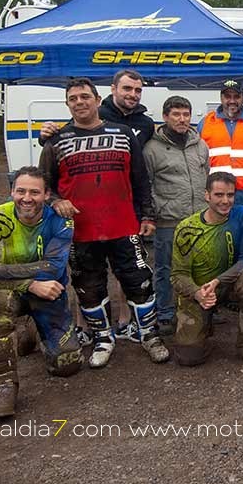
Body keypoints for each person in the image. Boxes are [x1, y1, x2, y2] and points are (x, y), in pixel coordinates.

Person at [39, 78, 169, 368]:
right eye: (73, 98)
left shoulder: (123, 133)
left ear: (98, 100)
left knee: (139, 281)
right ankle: (103, 339)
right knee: (89, 286)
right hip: (81, 230)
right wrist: (55, 201)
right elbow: (44, 185)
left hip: (123, 225)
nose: (79, 102)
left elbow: (140, 179)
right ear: (68, 104)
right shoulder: (56, 141)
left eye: (85, 96)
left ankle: (149, 335)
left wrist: (146, 215)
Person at [0, 166, 82, 418]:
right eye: (20, 191)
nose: (26, 198)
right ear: (11, 192)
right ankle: (4, 385)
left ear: (47, 195)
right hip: (15, 291)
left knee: (67, 365)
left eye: (34, 192)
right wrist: (29, 284)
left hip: (49, 291)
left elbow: (52, 267)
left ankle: (33, 327)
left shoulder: (61, 219)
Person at [169, 172, 243, 368]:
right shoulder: (187, 229)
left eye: (230, 195)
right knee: (189, 357)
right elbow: (178, 275)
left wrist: (217, 281)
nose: (225, 201)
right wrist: (197, 293)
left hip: (229, 285)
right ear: (206, 195)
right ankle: (202, 326)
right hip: (200, 290)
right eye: (219, 195)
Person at [142, 95, 209, 335]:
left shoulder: (200, 144)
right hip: (168, 220)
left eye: (186, 114)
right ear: (165, 117)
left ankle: (201, 307)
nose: (182, 119)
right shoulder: (152, 148)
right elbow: (146, 184)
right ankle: (166, 313)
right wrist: (150, 215)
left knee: (200, 267)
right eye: (176, 114)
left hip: (199, 219)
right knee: (166, 269)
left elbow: (206, 177)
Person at [198, 79, 243, 209]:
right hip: (216, 199)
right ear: (221, 98)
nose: (232, 101)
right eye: (227, 96)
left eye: (237, 96)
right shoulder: (205, 123)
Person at [39, 69, 154, 150]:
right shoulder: (96, 113)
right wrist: (45, 136)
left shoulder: (146, 123)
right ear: (113, 89)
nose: (133, 94)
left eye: (138, 90)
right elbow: (65, 137)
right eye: (127, 89)